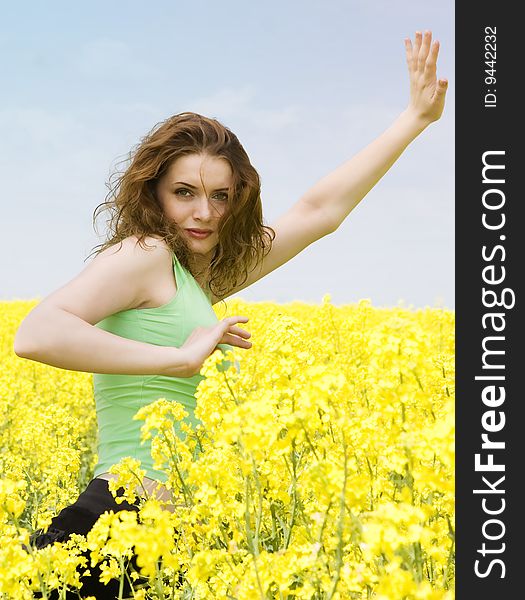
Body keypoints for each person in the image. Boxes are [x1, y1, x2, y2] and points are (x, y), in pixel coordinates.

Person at [14, 30, 447, 599]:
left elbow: (319, 212)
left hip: (171, 541)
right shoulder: (144, 254)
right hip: (114, 529)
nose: (204, 212)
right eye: (185, 192)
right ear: (154, 194)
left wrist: (415, 119)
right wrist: (177, 358)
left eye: (220, 196)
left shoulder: (198, 278)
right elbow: (36, 332)